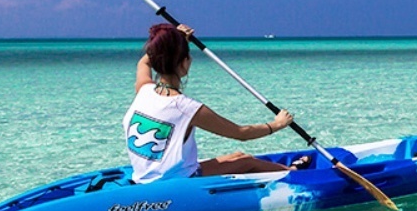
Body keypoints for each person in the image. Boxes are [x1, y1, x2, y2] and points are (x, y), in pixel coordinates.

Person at [123, 22, 307, 183]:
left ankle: (288, 169)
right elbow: (241, 133)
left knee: (238, 157)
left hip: (146, 176)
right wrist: (278, 124)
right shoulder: (185, 107)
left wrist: (175, 41)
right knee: (247, 162)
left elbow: (144, 63)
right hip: (175, 181)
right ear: (183, 63)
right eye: (188, 55)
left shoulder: (144, 89)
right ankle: (292, 173)